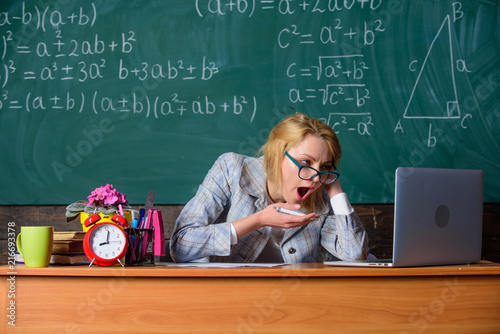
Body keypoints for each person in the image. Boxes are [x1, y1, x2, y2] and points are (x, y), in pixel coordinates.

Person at [170, 113, 369, 263]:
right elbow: (181, 245)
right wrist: (259, 220)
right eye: (306, 162)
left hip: (289, 303)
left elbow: (355, 254)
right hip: (226, 297)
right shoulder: (232, 170)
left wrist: (334, 188)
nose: (316, 178)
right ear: (276, 155)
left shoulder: (319, 196)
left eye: (324, 167)